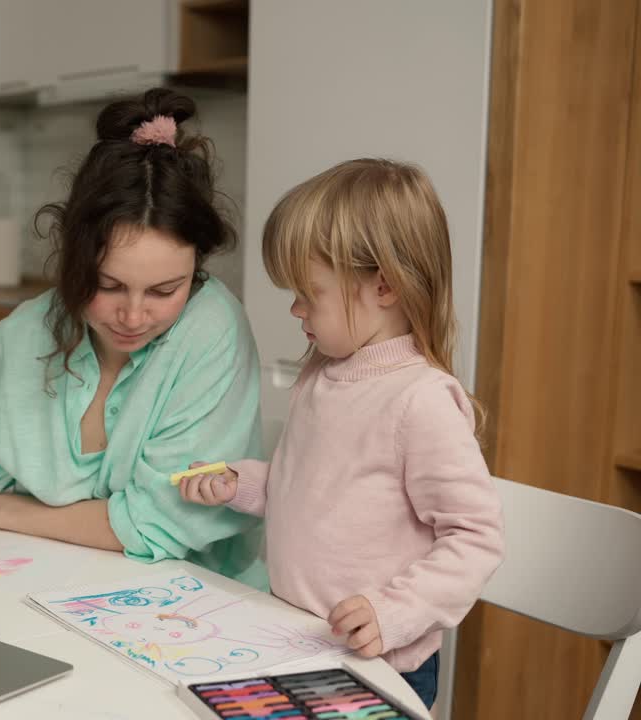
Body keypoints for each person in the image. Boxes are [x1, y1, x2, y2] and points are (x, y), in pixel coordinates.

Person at [0, 88, 268, 588]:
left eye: (164, 290)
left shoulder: (212, 330)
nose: (132, 315)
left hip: (189, 606)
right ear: (73, 257)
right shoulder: (26, 330)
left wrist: (3, 510)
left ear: (196, 267)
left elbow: (157, 521)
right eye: (108, 285)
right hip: (37, 583)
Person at [176, 158, 505, 707]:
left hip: (377, 662)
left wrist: (394, 613)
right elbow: (312, 486)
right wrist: (242, 483)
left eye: (309, 292)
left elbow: (475, 538)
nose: (295, 307)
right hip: (295, 638)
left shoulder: (420, 400)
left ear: (385, 286)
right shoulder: (323, 373)